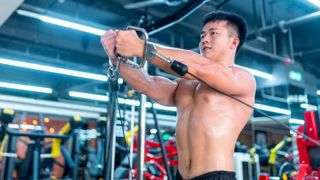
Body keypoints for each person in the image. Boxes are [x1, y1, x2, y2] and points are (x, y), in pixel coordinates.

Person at [101, 10, 256, 180]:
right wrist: (116, 59)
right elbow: (147, 84)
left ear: (233, 42)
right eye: (203, 35)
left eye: (213, 33)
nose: (205, 39)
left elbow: (200, 67)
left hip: (216, 176)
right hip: (180, 175)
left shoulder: (242, 78)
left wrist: (141, 48)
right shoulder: (186, 84)